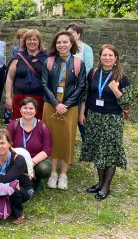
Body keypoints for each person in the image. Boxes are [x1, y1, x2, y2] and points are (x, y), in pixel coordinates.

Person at [79, 44, 131, 200]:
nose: (107, 58)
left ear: (115, 58)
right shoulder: (94, 73)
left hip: (112, 120)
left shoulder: (122, 77)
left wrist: (116, 90)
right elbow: (86, 95)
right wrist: (82, 113)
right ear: (100, 57)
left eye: (110, 55)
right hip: (94, 117)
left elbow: (127, 102)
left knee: (110, 152)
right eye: (104, 55)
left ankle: (106, 186)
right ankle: (100, 183)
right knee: (98, 150)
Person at [41, 30, 86, 190]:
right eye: (59, 42)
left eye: (65, 42)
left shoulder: (79, 63)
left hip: (70, 107)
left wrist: (66, 104)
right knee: (51, 137)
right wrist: (56, 103)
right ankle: (53, 172)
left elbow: (81, 86)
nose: (62, 45)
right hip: (51, 105)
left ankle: (64, 174)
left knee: (67, 138)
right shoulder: (49, 61)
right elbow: (44, 84)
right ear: (55, 44)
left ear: (72, 44)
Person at [6, 97, 52, 192]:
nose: (28, 111)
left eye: (31, 108)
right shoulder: (13, 125)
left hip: (37, 160)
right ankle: (21, 180)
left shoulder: (42, 126)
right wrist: (21, 160)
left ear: (35, 111)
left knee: (44, 169)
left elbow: (47, 149)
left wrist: (32, 162)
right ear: (20, 109)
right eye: (25, 108)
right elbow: (6, 145)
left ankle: (37, 179)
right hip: (17, 159)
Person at [5, 29, 48, 120]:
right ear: (25, 42)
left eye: (35, 39)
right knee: (19, 126)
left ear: (39, 42)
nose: (32, 42)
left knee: (38, 126)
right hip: (20, 98)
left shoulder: (46, 58)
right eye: (29, 39)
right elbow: (10, 78)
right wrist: (8, 97)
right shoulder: (17, 58)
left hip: (40, 98)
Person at [66, 22, 94, 142]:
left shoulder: (86, 49)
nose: (69, 35)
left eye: (71, 33)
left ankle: (86, 140)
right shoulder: (66, 47)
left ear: (78, 34)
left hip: (81, 86)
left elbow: (88, 67)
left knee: (80, 114)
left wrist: (75, 78)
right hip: (67, 86)